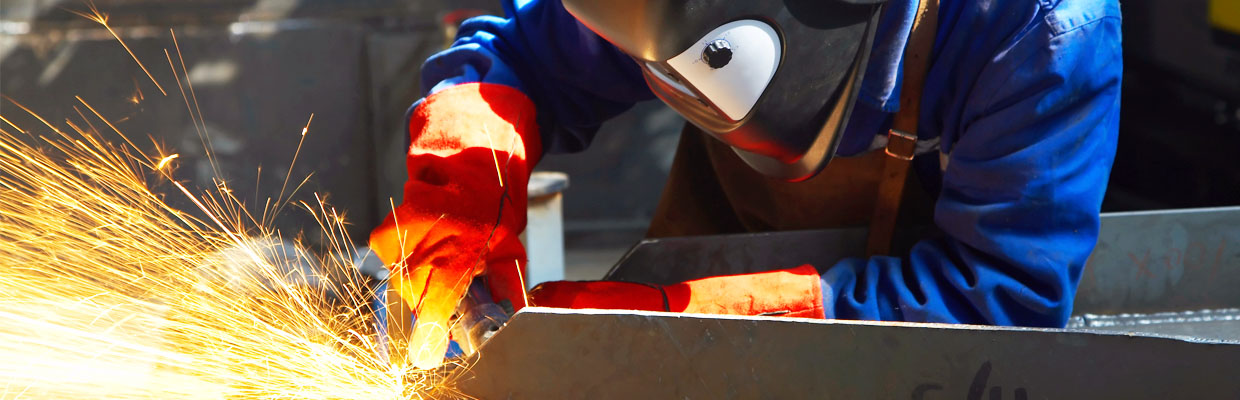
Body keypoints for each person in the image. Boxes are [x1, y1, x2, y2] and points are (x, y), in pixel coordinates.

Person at [368, 0, 1122, 368]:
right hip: (731, 219)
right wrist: (466, 160)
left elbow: (999, 297)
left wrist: (680, 319)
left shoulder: (1046, 31)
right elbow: (523, 53)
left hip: (924, 332)